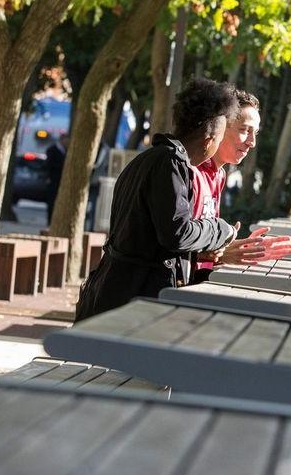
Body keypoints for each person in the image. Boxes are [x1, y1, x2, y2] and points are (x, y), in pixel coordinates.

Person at [75, 80, 240, 322]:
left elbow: (155, 236)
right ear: (209, 139)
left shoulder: (149, 159)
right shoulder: (171, 164)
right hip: (133, 302)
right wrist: (220, 230)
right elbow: (177, 233)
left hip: (121, 293)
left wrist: (202, 252)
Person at [191, 90, 291, 280]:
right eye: (245, 130)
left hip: (198, 283)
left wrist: (231, 250)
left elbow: (200, 248)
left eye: (255, 133)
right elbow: (172, 244)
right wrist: (222, 252)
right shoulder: (191, 171)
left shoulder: (219, 174)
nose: (252, 142)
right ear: (220, 126)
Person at [44, 132, 67, 224]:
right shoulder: (52, 150)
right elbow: (49, 165)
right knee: (51, 201)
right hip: (53, 179)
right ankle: (50, 221)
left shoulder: (65, 151)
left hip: (60, 180)